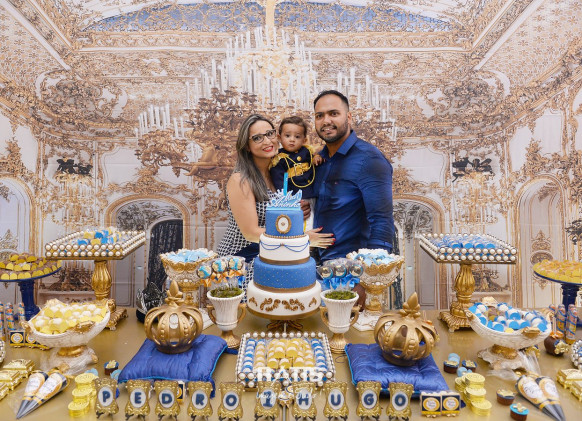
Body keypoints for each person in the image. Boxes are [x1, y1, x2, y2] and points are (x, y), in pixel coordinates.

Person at [217, 114, 333, 290]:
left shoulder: (278, 174)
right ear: (246, 146)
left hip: (274, 258)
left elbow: (278, 220)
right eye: (257, 138)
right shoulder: (240, 179)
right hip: (242, 263)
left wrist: (294, 210)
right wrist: (303, 238)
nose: (267, 141)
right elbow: (251, 233)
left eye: (269, 134)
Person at [312, 89, 395, 263]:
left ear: (348, 117)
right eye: (319, 116)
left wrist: (370, 274)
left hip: (353, 269)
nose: (326, 121)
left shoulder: (369, 159)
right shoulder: (319, 160)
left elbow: (381, 222)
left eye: (333, 113)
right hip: (318, 266)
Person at [269, 116, 322, 231]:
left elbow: (313, 162)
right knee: (305, 225)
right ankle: (307, 241)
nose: (292, 140)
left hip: (313, 194)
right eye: (287, 136)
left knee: (316, 221)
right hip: (297, 198)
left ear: (304, 140)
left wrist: (316, 158)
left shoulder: (306, 151)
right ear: (279, 137)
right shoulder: (279, 158)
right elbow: (280, 183)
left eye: (297, 137)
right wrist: (289, 201)